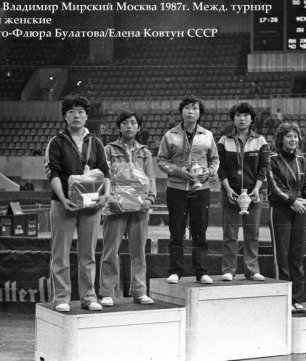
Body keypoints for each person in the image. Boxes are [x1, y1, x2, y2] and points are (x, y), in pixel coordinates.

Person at [44, 94, 111, 312]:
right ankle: (61, 298)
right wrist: (63, 198)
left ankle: (89, 297)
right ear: (65, 116)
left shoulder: (96, 142)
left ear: (87, 116)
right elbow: (52, 172)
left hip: (91, 205)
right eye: (72, 111)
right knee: (60, 252)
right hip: (62, 204)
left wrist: (106, 195)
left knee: (88, 254)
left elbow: (106, 172)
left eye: (81, 112)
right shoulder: (56, 142)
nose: (76, 115)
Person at [157, 95, 219, 285]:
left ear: (200, 113)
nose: (191, 112)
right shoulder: (170, 135)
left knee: (200, 230)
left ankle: (201, 271)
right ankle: (175, 270)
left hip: (201, 189)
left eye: (195, 108)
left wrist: (209, 172)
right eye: (187, 108)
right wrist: (179, 171)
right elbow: (161, 160)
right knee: (176, 230)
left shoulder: (207, 135)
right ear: (181, 111)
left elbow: (214, 160)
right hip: (176, 188)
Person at [100, 111, 156, 307]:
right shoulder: (108, 149)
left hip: (139, 209)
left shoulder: (145, 152)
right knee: (110, 251)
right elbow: (104, 176)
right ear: (120, 127)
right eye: (125, 123)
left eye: (133, 123)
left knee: (138, 251)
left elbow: (151, 178)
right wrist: (111, 199)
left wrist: (150, 199)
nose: (129, 126)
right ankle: (107, 292)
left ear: (138, 127)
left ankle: (139, 292)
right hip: (115, 207)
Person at [217, 103, 270, 282]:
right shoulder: (224, 140)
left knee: (252, 234)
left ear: (252, 119)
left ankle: (252, 269)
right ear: (233, 118)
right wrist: (228, 188)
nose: (242, 119)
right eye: (238, 115)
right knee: (230, 234)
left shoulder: (260, 141)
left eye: (246, 115)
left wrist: (256, 188)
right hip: (230, 193)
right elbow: (220, 167)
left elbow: (264, 167)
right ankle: (228, 270)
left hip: (254, 194)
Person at [267, 122, 306, 313]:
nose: (293, 140)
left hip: (300, 211)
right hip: (281, 210)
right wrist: (293, 201)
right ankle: (283, 298)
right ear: (281, 139)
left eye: (295, 136)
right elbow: (276, 187)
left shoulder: (303, 161)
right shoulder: (273, 160)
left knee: (297, 256)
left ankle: (296, 298)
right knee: (282, 256)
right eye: (289, 136)